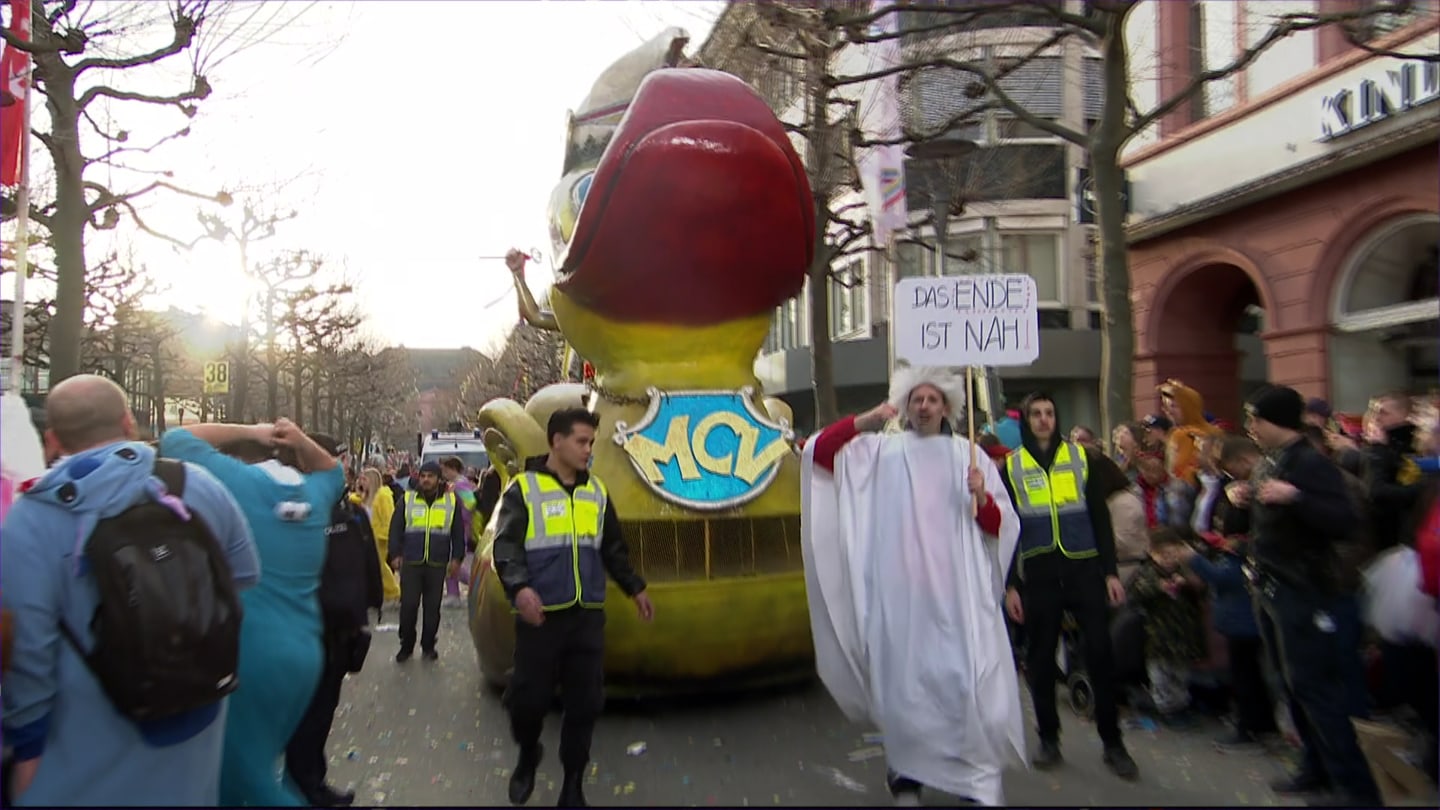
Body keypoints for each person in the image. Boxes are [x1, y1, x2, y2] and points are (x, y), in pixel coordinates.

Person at [2, 375, 259, 806]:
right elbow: (244, 576)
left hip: (79, 758)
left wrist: (27, 752)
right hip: (194, 732)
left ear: (52, 439)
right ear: (128, 423)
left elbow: (27, 655)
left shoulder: (30, 520)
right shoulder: (198, 486)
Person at [802, 366, 1025, 806]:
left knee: (966, 685)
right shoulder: (881, 452)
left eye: (933, 400)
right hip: (900, 599)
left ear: (947, 407)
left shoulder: (969, 456)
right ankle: (906, 775)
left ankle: (972, 780)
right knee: (905, 689)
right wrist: (866, 420)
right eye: (916, 399)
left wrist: (981, 497)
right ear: (906, 405)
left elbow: (999, 527)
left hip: (956, 597)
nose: (924, 407)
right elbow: (821, 455)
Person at [161, 419, 345, 807]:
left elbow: (175, 439)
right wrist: (299, 437)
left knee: (243, 781)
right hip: (305, 654)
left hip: (249, 655)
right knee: (265, 768)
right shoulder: (316, 493)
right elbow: (333, 468)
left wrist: (250, 430)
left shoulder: (235, 483)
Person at [493, 408, 652, 808]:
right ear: (556, 441)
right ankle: (529, 753)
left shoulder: (596, 491)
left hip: (586, 617)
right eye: (581, 441)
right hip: (540, 617)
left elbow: (613, 548)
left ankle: (573, 784)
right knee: (528, 701)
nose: (587, 450)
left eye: (590, 442)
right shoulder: (523, 489)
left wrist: (634, 588)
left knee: (585, 704)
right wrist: (520, 589)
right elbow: (506, 547)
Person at [1234, 385, 1378, 804]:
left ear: (1275, 420)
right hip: (1272, 588)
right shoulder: (1270, 462)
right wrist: (1244, 498)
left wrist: (1296, 497)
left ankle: (1352, 788)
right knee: (1290, 685)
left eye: (1255, 419)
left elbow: (1346, 522)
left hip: (1305, 591)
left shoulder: (1311, 465)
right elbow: (1270, 520)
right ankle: (1314, 768)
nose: (1250, 428)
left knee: (1316, 689)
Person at [1001, 392, 1139, 780]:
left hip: (1084, 570)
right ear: (1026, 421)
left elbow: (1099, 518)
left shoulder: (1081, 458)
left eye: (1049, 412)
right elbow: (1007, 532)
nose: (1044, 420)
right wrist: (1010, 584)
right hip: (1040, 574)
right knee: (1040, 660)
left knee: (1100, 653)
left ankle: (1113, 743)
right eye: (1036, 414)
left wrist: (1111, 573)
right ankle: (1048, 738)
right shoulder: (1010, 467)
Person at [286, 436, 384, 808]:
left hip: (341, 632)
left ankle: (311, 779)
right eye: (335, 458)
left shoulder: (350, 512)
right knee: (303, 713)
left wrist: (371, 605)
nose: (342, 465)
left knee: (322, 710)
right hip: (305, 628)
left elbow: (367, 562)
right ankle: (302, 784)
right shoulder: (295, 509)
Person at [1126, 527, 1206, 728]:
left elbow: (1199, 592)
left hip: (1182, 637)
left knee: (1180, 674)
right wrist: (1158, 588)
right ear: (1153, 553)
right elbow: (1135, 593)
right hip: (1159, 638)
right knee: (1161, 675)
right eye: (1164, 555)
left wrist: (1187, 583)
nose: (1169, 559)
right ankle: (1165, 708)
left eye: (1173, 554)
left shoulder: (1184, 573)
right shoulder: (1148, 573)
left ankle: (1181, 706)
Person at [388, 461, 465, 661]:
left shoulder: (451, 501)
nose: (426, 480)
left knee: (432, 609)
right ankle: (406, 645)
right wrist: (395, 554)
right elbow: (395, 528)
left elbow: (458, 533)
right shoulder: (407, 499)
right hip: (412, 562)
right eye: (423, 476)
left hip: (437, 563)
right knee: (409, 606)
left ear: (439, 479)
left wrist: (457, 558)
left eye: (430, 476)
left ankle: (428, 645)